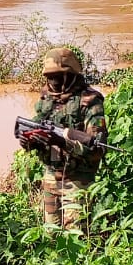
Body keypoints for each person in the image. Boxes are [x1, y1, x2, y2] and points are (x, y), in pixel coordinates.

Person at [18, 47, 107, 232]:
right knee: (50, 232)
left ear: (70, 75)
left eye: (57, 77)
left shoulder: (90, 102)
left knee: (76, 237)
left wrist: (62, 141)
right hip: (51, 176)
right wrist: (30, 142)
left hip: (77, 180)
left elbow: (97, 150)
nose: (53, 82)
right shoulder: (46, 99)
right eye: (49, 77)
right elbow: (36, 125)